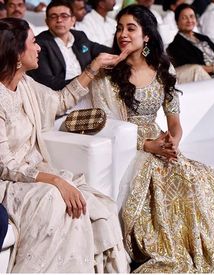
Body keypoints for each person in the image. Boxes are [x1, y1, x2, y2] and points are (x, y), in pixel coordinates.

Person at [79, 4, 214, 272]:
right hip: (128, 148)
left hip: (160, 142)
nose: (123, 34)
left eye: (131, 28)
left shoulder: (164, 69)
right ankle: (168, 248)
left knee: (200, 176)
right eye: (119, 28)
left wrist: (173, 141)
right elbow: (108, 125)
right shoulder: (108, 74)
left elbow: (174, 121)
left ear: (147, 36)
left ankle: (199, 246)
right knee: (163, 179)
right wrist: (148, 145)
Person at [0, 17, 130, 272]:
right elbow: (4, 166)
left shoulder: (26, 85)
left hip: (39, 174)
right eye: (33, 43)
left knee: (96, 205)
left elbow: (61, 101)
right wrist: (56, 181)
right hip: (11, 183)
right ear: (17, 53)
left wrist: (93, 68)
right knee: (56, 197)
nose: (39, 48)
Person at [28, 0, 111, 90]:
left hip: (87, 89)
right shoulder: (40, 44)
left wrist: (123, 53)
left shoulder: (79, 36)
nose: (59, 20)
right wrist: (85, 80)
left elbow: (97, 48)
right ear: (47, 21)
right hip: (61, 95)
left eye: (64, 16)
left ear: (73, 20)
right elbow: (47, 82)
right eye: (53, 16)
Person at [167, 3, 214, 78]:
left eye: (191, 16)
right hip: (207, 78)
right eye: (184, 18)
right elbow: (193, 68)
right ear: (177, 22)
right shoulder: (176, 45)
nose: (189, 20)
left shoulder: (203, 38)